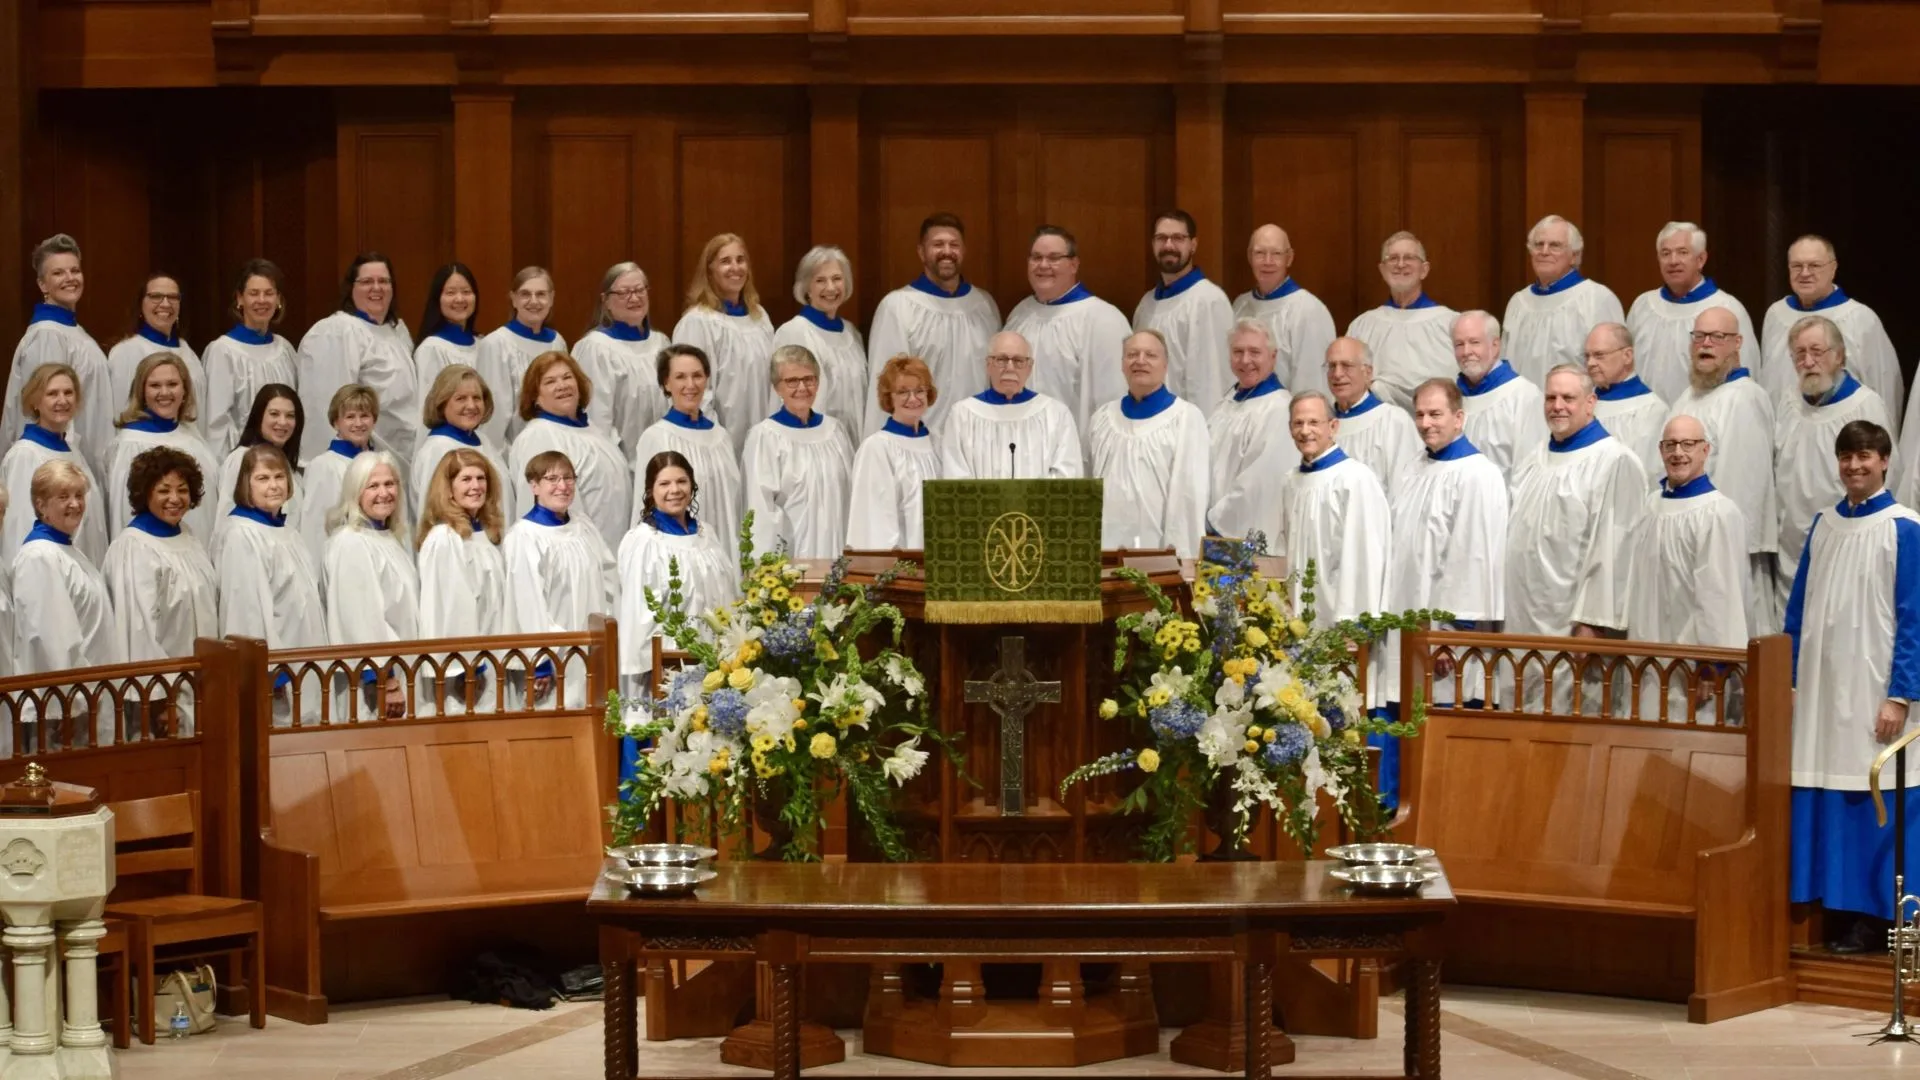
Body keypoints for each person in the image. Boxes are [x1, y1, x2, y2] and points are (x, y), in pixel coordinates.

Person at [1785, 419, 1920, 954]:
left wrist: (1900, 693)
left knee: (1874, 798)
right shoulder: (1822, 525)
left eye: (1865, 456)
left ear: (1885, 461)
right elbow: (1797, 610)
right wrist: (1790, 677)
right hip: (1821, 691)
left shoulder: (1905, 528)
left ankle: (1877, 917)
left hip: (1873, 691)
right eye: (1846, 457)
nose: (1855, 466)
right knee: (1824, 791)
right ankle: (1831, 911)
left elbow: (1913, 618)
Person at [1383, 377, 1509, 800]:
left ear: (1459, 417)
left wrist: (1451, 638)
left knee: (1443, 740)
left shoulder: (1477, 474)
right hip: (1409, 626)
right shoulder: (1414, 467)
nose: (1425, 423)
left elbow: (1472, 559)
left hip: (1447, 641)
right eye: (1419, 414)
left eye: (1435, 414)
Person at [1505, 366, 1647, 710]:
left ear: (1591, 402)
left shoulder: (1614, 462)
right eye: (1551, 397)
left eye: (1568, 398)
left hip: (1572, 624)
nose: (1558, 406)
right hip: (1523, 620)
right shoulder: (1535, 458)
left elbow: (1616, 549)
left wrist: (1593, 623)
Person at [1621, 415, 1750, 716]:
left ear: (1706, 450)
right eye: (1670, 445)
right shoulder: (1651, 505)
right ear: (1660, 450)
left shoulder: (1718, 512)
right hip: (1648, 655)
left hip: (1694, 670)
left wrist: (1711, 663)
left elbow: (1720, 595)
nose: (1678, 452)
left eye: (1688, 444)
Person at [1276, 392, 1392, 713]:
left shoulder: (1354, 479)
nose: (1305, 430)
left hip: (1343, 630)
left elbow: (1366, 557)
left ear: (1333, 426)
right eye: (1298, 423)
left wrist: (1354, 626)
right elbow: (1289, 551)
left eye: (1314, 422)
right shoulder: (1291, 482)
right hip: (1302, 626)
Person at [1667, 306, 1779, 636]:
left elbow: (1743, 483)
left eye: (1717, 337)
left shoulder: (1745, 397)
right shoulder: (1687, 397)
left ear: (1737, 343)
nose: (1706, 344)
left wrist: (1720, 539)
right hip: (1684, 540)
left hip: (1726, 549)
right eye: (1699, 336)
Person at [1779, 316, 1893, 615]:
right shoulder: (1789, 403)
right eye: (1799, 354)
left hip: (1848, 537)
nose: (1808, 361)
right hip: (1790, 546)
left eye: (1817, 351)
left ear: (1839, 355)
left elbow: (1882, 476)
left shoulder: (1864, 405)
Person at [103, 448, 219, 716]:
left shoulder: (188, 537)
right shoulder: (134, 548)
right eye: (164, 491)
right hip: (163, 697)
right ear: (145, 493)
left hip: (201, 683)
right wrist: (158, 699)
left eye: (182, 490)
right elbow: (139, 630)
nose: (175, 499)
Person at [217, 445, 327, 725]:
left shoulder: (286, 531)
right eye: (263, 478)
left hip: (304, 660)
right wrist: (269, 672)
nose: (274, 486)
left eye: (279, 477)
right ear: (245, 483)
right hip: (276, 676)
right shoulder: (242, 534)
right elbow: (246, 609)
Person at [502, 451, 619, 709]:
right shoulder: (525, 537)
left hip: (593, 650)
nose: (562, 486)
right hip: (555, 660)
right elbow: (528, 602)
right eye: (552, 479)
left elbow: (609, 579)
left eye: (568, 478)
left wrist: (608, 631)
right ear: (534, 486)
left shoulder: (582, 526)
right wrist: (542, 661)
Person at [12, 461, 118, 746]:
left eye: (79, 495)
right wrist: (69, 707)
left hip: (89, 697)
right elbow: (51, 641)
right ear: (41, 504)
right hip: (65, 711)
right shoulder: (40, 557)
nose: (75, 504)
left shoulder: (67, 550)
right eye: (63, 497)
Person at [865, 212, 1000, 433]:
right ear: (921, 252)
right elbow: (885, 389)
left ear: (963, 251)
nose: (947, 251)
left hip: (978, 438)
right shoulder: (898, 307)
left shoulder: (984, 305)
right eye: (938, 244)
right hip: (921, 441)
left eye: (954, 245)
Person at [618, 450, 740, 690]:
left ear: (692, 486)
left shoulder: (706, 533)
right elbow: (638, 614)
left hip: (717, 661)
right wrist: (654, 670)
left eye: (682, 481)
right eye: (664, 483)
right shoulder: (644, 542)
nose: (675, 490)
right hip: (670, 669)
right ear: (650, 491)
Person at [1087, 330, 1208, 557]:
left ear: (1165, 364)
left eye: (1150, 355)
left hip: (1158, 554)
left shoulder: (1185, 418)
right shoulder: (1102, 418)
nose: (1140, 361)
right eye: (1132, 354)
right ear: (1122, 364)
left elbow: (1188, 497)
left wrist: (1179, 560)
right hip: (1106, 550)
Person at [1002, 225, 1131, 437]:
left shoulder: (1103, 319)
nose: (1043, 265)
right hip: (1020, 449)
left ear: (1074, 264)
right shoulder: (1020, 314)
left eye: (1054, 258)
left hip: (1074, 454)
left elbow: (1114, 400)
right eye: (1036, 257)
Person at [1764, 236, 1901, 434]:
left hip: (1844, 437)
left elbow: (1884, 386)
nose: (1805, 273)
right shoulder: (1776, 315)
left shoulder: (1860, 319)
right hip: (1785, 435)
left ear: (1833, 268)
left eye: (1814, 265)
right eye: (1796, 266)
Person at [298, 252, 419, 466]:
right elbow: (327, 404)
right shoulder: (338, 331)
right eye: (366, 282)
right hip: (359, 458)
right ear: (351, 288)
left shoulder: (397, 331)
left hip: (403, 453)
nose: (377, 288)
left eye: (384, 281)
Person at [324, 452, 419, 719]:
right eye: (373, 486)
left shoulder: (387, 537)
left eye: (390, 484)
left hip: (400, 670)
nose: (384, 493)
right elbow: (360, 619)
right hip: (373, 683)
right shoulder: (352, 542)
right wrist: (383, 681)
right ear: (355, 492)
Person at [4, 234, 113, 466]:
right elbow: (46, 411)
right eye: (58, 273)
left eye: (75, 270)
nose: (70, 278)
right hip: (59, 464)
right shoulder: (47, 335)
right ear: (42, 284)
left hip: (85, 458)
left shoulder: (74, 331)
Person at [507, 351, 630, 552]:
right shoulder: (539, 437)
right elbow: (547, 506)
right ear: (535, 397)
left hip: (613, 550)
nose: (562, 385)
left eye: (567, 377)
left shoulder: (592, 430)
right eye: (550, 382)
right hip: (576, 555)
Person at [415, 448, 509, 712]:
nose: (476, 486)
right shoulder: (445, 538)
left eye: (481, 478)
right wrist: (466, 666)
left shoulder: (484, 536)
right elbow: (449, 608)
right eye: (466, 479)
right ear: (448, 489)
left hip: (490, 658)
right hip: (465, 672)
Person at [1626, 222, 1760, 403]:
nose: (1673, 261)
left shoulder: (1727, 308)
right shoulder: (1643, 306)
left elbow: (1745, 375)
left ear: (1701, 259)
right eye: (1666, 253)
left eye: (1682, 252)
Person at [742, 345, 854, 559]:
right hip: (793, 557)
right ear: (777, 387)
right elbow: (761, 510)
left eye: (809, 379)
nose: (802, 387)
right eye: (792, 381)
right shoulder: (766, 436)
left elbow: (850, 494)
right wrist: (770, 570)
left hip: (838, 549)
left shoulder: (835, 431)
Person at [630, 345, 744, 554]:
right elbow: (643, 504)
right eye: (680, 377)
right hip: (678, 553)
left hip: (724, 548)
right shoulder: (656, 437)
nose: (690, 385)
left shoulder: (721, 437)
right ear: (666, 383)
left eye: (697, 376)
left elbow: (734, 503)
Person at [103, 351, 222, 547]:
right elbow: (123, 512)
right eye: (155, 385)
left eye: (172, 384)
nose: (164, 393)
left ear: (185, 390)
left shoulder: (191, 434)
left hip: (197, 548)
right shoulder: (130, 444)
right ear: (142, 392)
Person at [672, 233, 776, 453]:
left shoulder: (759, 317)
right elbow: (695, 388)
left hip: (762, 433)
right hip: (718, 437)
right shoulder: (698, 321)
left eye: (740, 260)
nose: (735, 267)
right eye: (725, 261)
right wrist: (713, 439)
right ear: (710, 270)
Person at [938, 331, 1083, 480]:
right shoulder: (962, 414)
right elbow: (955, 476)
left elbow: (1067, 475)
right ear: (988, 365)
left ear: (1029, 367)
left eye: (1018, 361)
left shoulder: (1056, 414)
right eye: (1001, 359)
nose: (1010, 367)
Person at [1499, 215, 1626, 386]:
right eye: (1538, 244)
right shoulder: (1518, 302)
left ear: (1574, 255)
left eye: (1555, 245)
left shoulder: (1597, 299)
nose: (1544, 251)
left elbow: (1613, 369)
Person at [0, 364, 107, 566]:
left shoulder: (73, 452)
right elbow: (19, 528)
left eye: (68, 393)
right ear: (35, 402)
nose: (62, 400)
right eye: (52, 394)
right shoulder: (25, 455)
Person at [1132, 209, 1234, 413]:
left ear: (1193, 244)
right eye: (1161, 238)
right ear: (1153, 245)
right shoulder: (1147, 304)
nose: (1168, 245)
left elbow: (1211, 383)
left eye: (1178, 238)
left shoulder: (1208, 300)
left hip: (1189, 430)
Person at [1345, 231, 1458, 410]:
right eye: (1393, 258)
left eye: (1409, 257)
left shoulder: (1451, 323)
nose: (1400, 264)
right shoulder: (1362, 326)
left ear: (1424, 269)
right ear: (1382, 270)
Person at [1207, 320, 1298, 541]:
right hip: (1210, 530)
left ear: (1273, 356)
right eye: (1238, 352)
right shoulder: (1226, 403)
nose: (1245, 360)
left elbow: (1261, 481)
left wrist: (1214, 521)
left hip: (1239, 534)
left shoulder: (1279, 408)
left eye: (1254, 352)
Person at [571, 261, 671, 453]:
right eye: (624, 293)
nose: (634, 298)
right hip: (619, 460)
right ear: (606, 301)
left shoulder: (662, 344)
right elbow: (597, 418)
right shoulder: (596, 349)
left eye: (640, 290)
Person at [203, 258, 299, 458]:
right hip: (242, 462)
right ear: (239, 298)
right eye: (253, 293)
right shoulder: (223, 351)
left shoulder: (285, 349)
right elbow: (216, 424)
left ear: (278, 299)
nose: (262, 300)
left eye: (269, 293)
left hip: (281, 461)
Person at [1230, 223, 1336, 398]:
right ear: (1249, 257)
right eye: (1260, 253)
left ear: (1289, 258)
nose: (1268, 261)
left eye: (1276, 253)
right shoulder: (1241, 305)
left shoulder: (1308, 310)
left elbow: (1312, 382)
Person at [848, 355, 941, 550]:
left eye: (919, 391)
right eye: (903, 392)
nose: (913, 399)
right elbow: (875, 518)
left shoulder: (938, 444)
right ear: (889, 397)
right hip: (903, 565)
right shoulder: (877, 448)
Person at [771, 246, 867, 428]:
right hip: (813, 441)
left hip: (853, 443)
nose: (830, 287)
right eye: (820, 280)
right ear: (807, 287)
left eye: (837, 279)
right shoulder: (794, 332)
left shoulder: (851, 334)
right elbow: (788, 398)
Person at [105, 273, 207, 438]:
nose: (165, 304)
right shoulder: (126, 352)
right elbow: (121, 413)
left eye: (173, 297)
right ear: (141, 304)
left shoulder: (188, 352)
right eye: (156, 296)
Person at [411, 364, 517, 521]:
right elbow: (432, 515)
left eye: (477, 398)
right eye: (461, 398)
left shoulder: (483, 440)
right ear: (441, 403)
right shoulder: (437, 450)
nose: (471, 406)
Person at [476, 266, 567, 447]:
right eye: (525, 294)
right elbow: (495, 416)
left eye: (541, 294)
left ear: (551, 298)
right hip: (515, 450)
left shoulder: (557, 342)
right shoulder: (497, 344)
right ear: (513, 299)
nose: (534, 301)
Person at [1453, 311, 1547, 483]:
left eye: (1474, 342)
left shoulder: (1523, 396)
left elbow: (1530, 472)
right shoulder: (1451, 398)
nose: (1466, 351)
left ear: (1495, 345)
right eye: (1459, 344)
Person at [1327, 336, 1421, 493]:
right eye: (1331, 366)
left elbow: (1405, 491)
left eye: (1346, 365)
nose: (1337, 374)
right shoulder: (1320, 424)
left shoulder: (1393, 421)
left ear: (1368, 373)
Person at [212, 384, 306, 538]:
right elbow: (225, 521)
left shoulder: (291, 470)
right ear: (259, 416)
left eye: (290, 415)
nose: (283, 422)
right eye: (274, 414)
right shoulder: (241, 458)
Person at [298, 385, 376, 568]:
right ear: (335, 423)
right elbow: (315, 528)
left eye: (364, 415)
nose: (358, 423)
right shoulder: (324, 466)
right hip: (343, 563)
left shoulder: (379, 462)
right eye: (350, 417)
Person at [1585, 322, 1667, 476]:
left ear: (1627, 356)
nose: (1590, 363)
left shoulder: (1652, 410)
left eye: (1599, 355)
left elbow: (1650, 474)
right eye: (1587, 356)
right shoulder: (1583, 404)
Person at [412, 262, 481, 399]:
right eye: (450, 293)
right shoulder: (432, 349)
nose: (460, 299)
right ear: (438, 299)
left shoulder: (483, 344)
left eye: (466, 292)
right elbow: (427, 407)